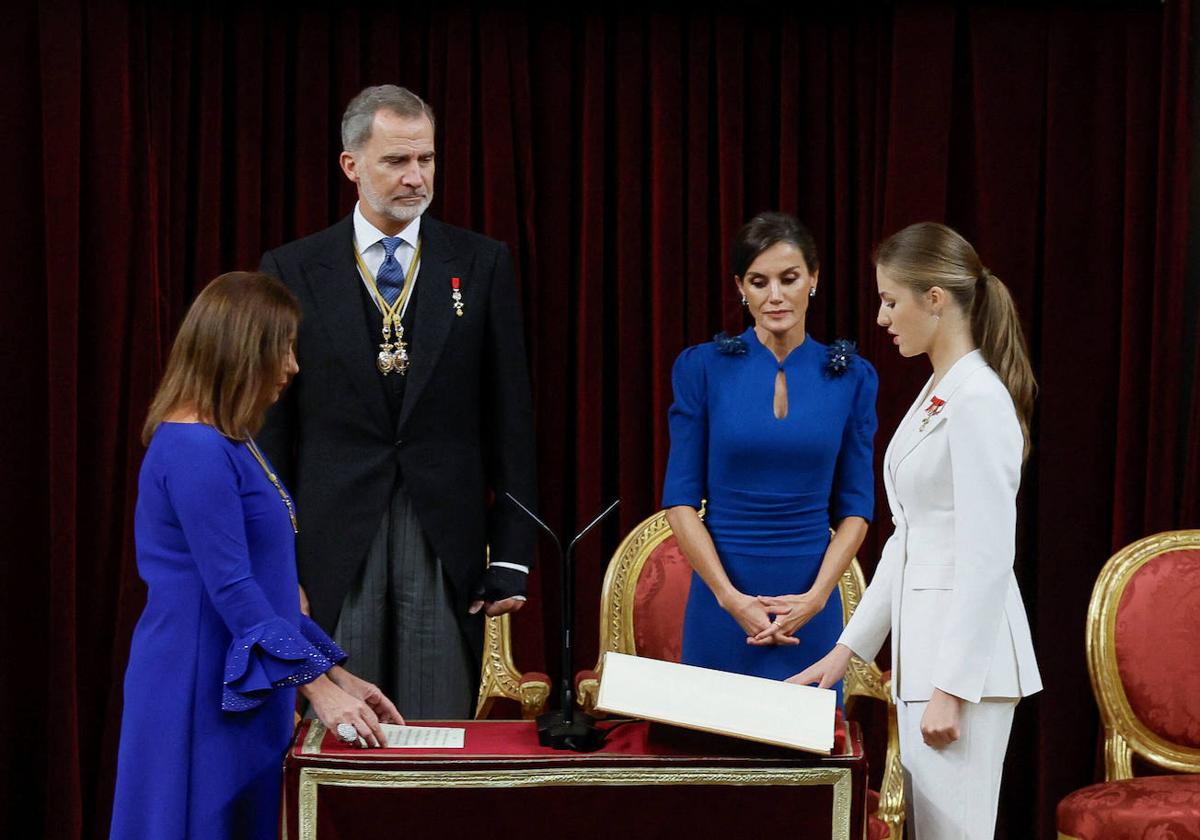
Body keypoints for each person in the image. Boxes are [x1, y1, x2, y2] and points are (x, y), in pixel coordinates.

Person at [257, 85, 537, 720]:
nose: (417, 178)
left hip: (444, 535)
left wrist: (513, 551)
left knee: (435, 731)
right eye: (396, 162)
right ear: (351, 165)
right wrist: (276, 560)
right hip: (331, 540)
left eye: (427, 160)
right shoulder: (292, 269)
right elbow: (271, 433)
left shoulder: (483, 262)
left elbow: (511, 419)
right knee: (344, 739)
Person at [110, 272, 403, 840]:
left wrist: (338, 676)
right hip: (197, 685)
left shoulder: (232, 441)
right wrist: (316, 691)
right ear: (241, 351)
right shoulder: (194, 447)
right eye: (282, 349)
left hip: (243, 679)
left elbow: (269, 590)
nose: (292, 367)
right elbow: (233, 589)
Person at [789, 222, 1043, 838]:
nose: (881, 317)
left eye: (890, 300)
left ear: (935, 298)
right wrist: (847, 651)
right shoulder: (940, 389)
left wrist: (950, 688)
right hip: (928, 658)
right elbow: (910, 540)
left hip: (964, 673)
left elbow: (987, 556)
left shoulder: (979, 398)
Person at [661, 211, 878, 700]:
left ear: (813, 279)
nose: (775, 295)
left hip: (811, 611)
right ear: (741, 287)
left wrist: (818, 597)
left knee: (812, 768)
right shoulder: (701, 368)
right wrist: (729, 598)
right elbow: (678, 500)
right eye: (759, 282)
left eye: (789, 278)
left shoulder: (853, 378)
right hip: (722, 609)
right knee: (714, 765)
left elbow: (857, 507)